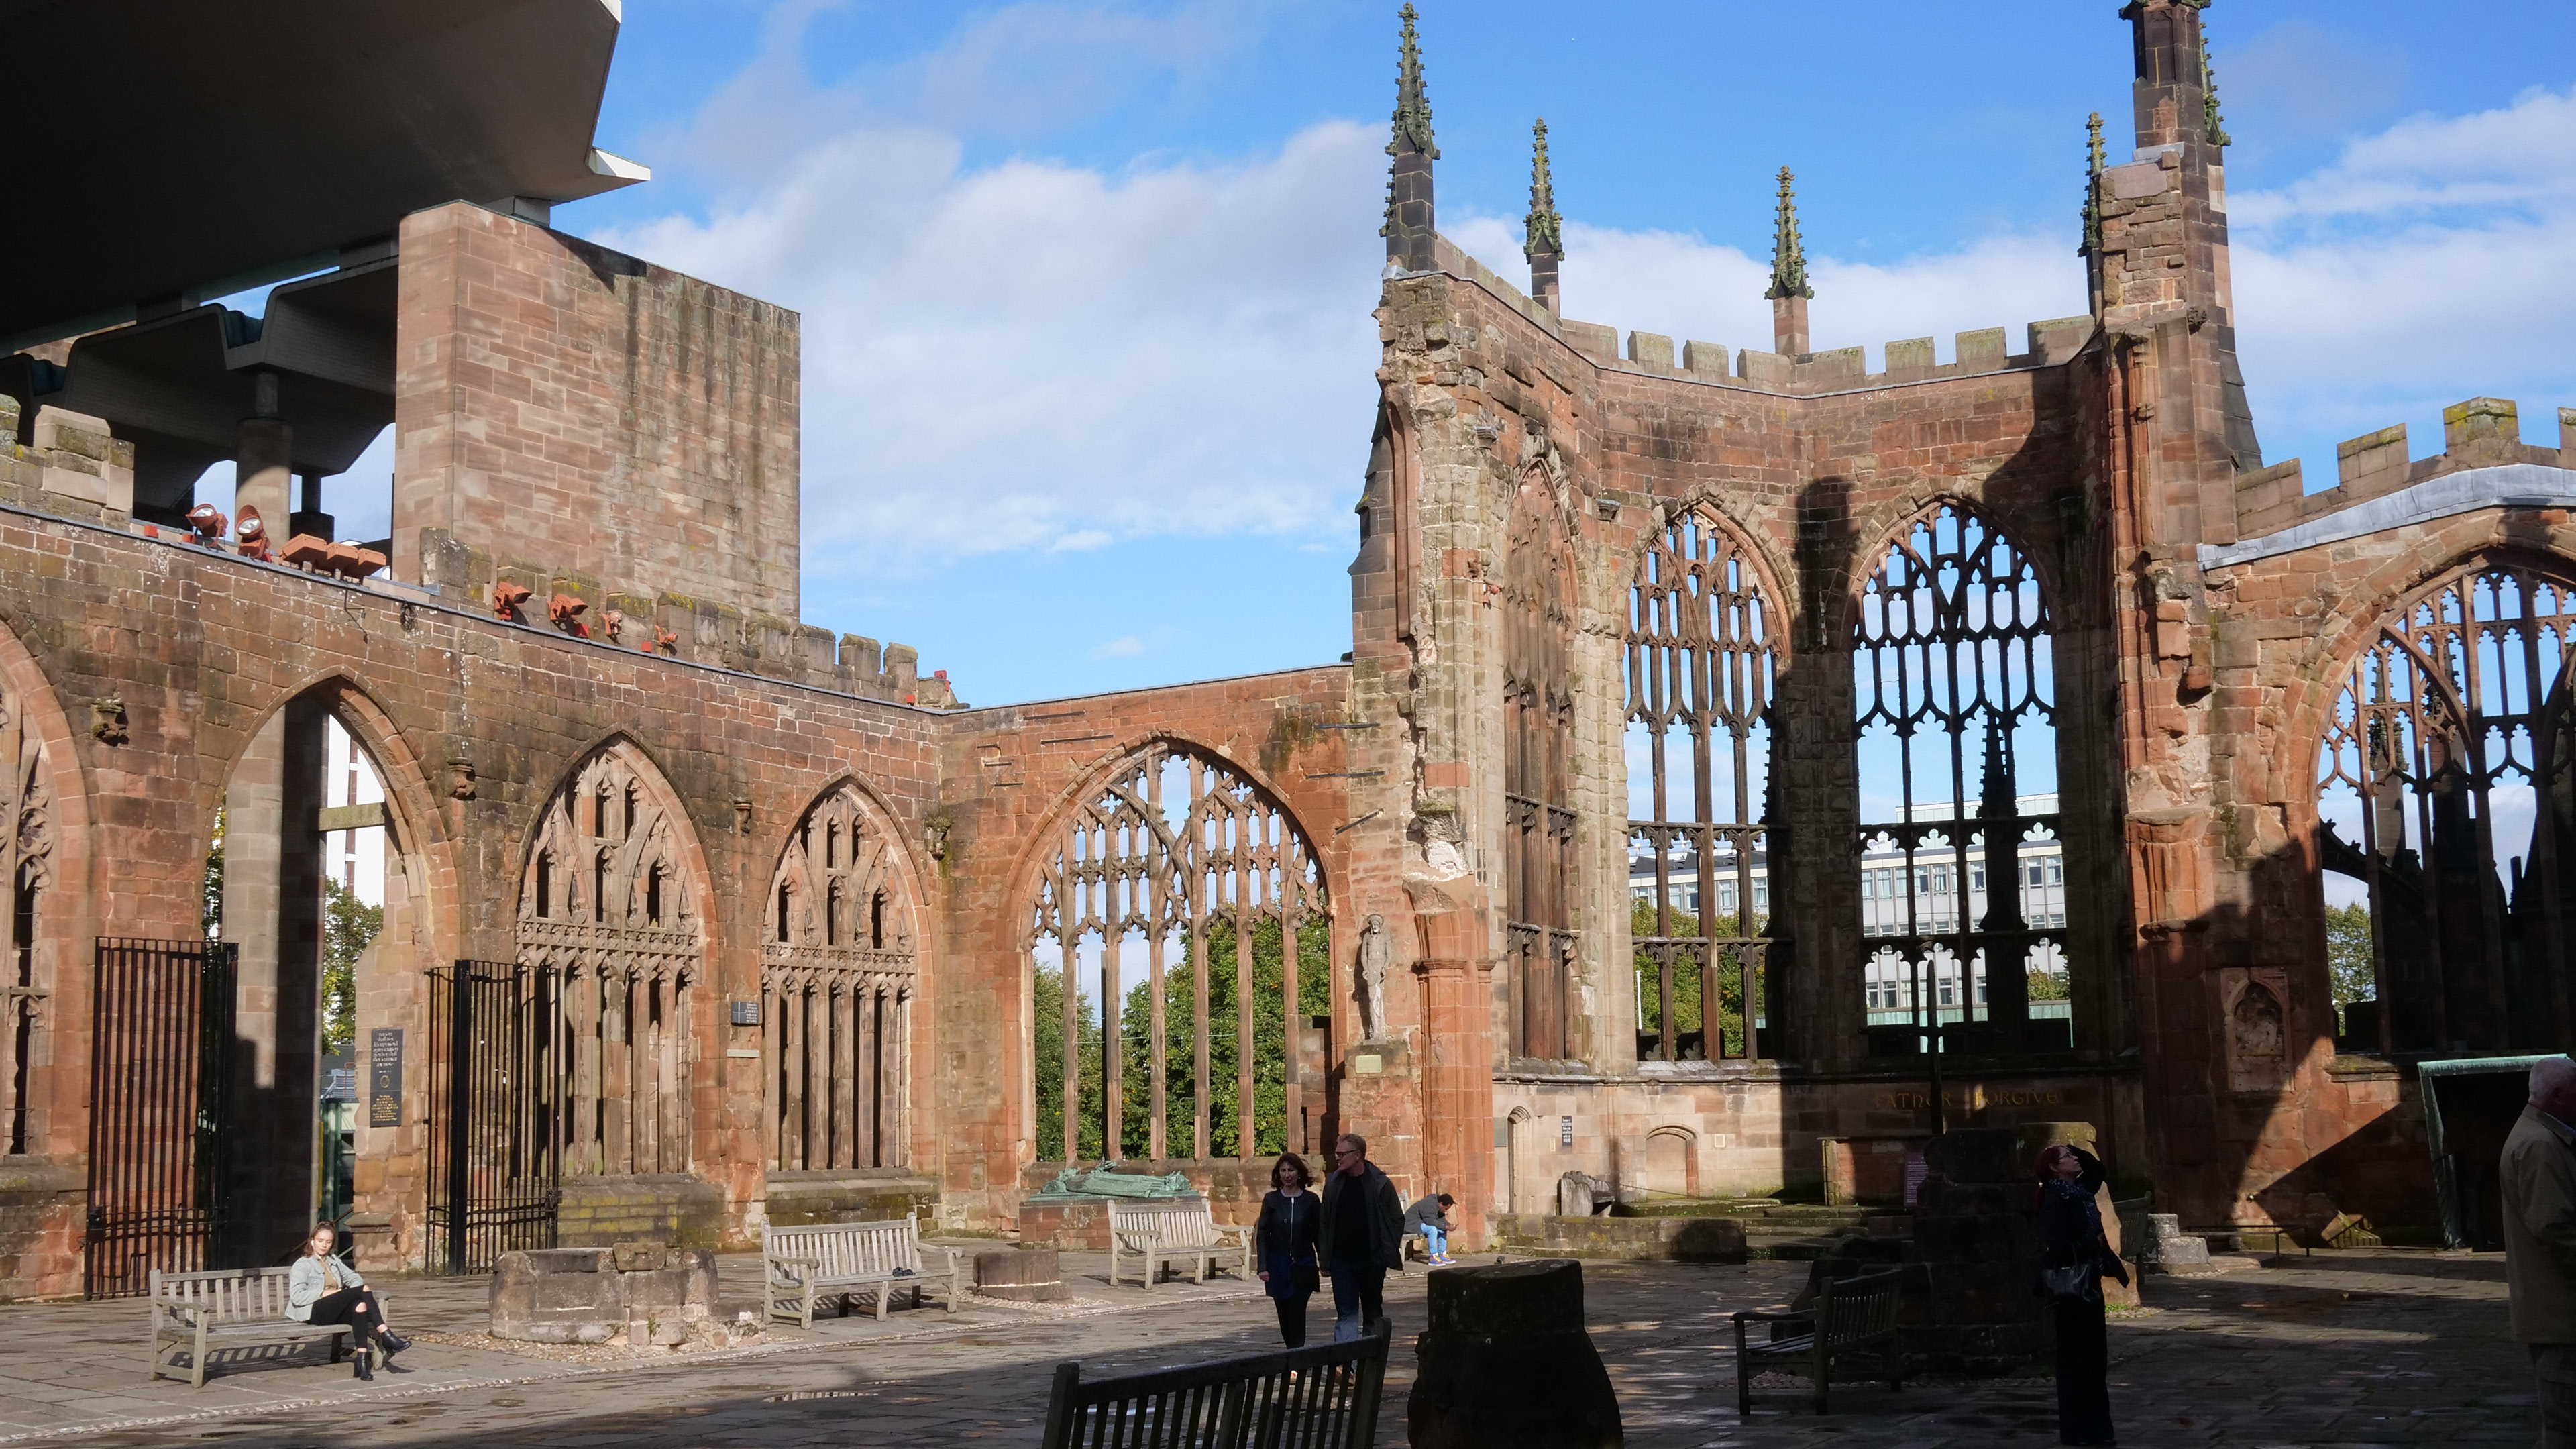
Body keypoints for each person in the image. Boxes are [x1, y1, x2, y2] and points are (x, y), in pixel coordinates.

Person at [2502, 1055, 2576, 1447]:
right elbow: (2555, 1228)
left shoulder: (2545, 1136)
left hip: (2557, 1312)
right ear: (2559, 1095)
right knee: (2566, 1427)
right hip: (2562, 1316)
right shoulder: (2540, 1144)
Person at [2033, 1144, 2124, 1446]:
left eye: (2073, 1156)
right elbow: (2057, 1246)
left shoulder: (2082, 1191)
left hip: (2090, 1281)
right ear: (2055, 1169)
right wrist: (2091, 1245)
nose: (2074, 1160)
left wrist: (2069, 1146)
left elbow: (2097, 1170)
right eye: (2067, 1158)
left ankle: (2099, 1430)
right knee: (2076, 1361)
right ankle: (2077, 1430)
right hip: (2071, 1288)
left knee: (2095, 1360)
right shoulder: (2055, 1200)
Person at [287, 1223, 408, 1380]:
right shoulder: (302, 1264)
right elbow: (297, 1296)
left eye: (328, 1242)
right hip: (313, 1311)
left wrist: (350, 1293)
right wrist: (326, 1293)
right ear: (312, 1241)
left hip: (333, 1309)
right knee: (363, 1290)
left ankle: (362, 1360)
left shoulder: (333, 1261)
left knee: (360, 1306)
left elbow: (355, 1279)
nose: (324, 1245)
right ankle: (385, 1334)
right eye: (321, 1240)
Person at [1316, 1132, 1403, 1342]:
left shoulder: (1380, 1183)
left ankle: (1370, 1365)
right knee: (1346, 1313)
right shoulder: (1334, 1183)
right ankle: (1347, 1367)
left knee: (1373, 1312)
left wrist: (1386, 1249)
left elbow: (1397, 1219)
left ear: (1357, 1155)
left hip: (1372, 1259)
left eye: (1342, 1154)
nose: (1337, 1158)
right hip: (1342, 1261)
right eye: (1336, 1153)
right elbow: (1325, 1222)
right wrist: (1325, 1259)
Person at [1253, 1151, 1322, 1349]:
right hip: (1278, 1265)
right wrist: (1263, 1266)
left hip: (1303, 1264)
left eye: (1291, 1170)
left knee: (1298, 1311)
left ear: (1299, 1173)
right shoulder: (1271, 1200)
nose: (1287, 1175)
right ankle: (1291, 1352)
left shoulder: (1311, 1201)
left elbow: (1318, 1234)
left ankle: (1296, 1356)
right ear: (1278, 1174)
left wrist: (1324, 1262)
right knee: (1283, 1313)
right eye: (1283, 1171)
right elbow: (1263, 1235)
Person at [1403, 1191, 1456, 1265]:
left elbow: (1440, 1219)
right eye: (1445, 1208)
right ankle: (1433, 1257)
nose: (1446, 1211)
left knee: (1443, 1229)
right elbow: (1430, 1221)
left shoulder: (1438, 1206)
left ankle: (1442, 1254)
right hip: (1412, 1224)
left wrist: (1449, 1226)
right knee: (1432, 1229)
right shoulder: (1428, 1204)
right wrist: (1446, 1226)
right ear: (1441, 1203)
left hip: (1421, 1223)